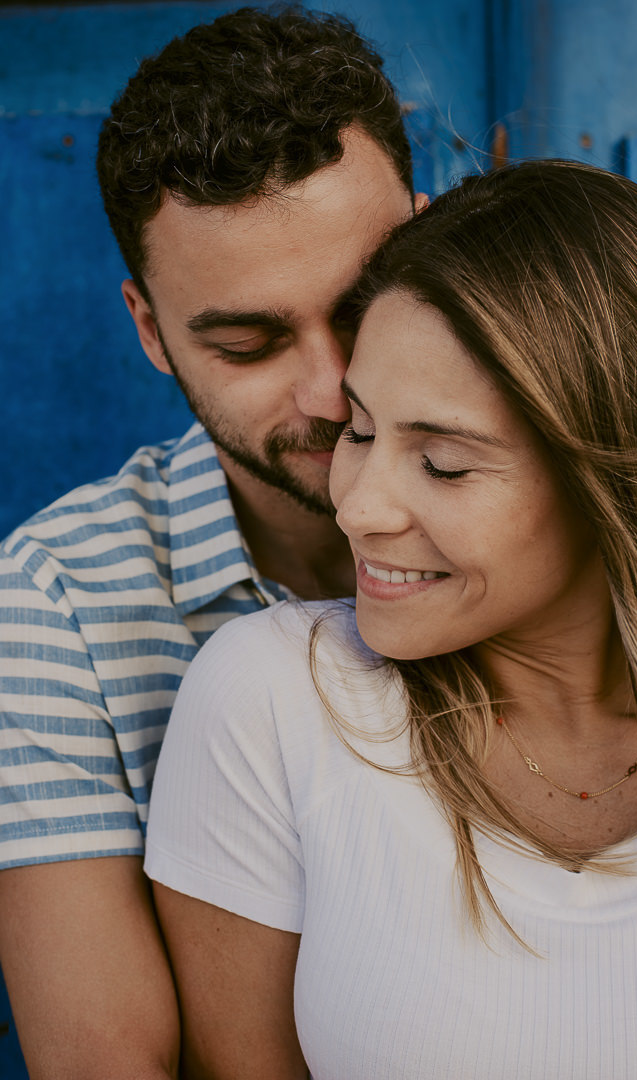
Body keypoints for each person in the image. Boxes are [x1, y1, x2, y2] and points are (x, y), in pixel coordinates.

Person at [146, 159, 637, 1079]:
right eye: (361, 432)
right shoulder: (275, 701)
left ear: (608, 479)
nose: (358, 507)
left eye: (445, 464)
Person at [0, 6, 425, 1077]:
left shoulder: (595, 512)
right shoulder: (52, 605)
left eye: (365, 300)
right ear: (150, 331)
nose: (334, 390)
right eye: (249, 341)